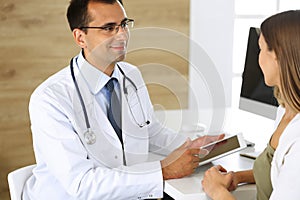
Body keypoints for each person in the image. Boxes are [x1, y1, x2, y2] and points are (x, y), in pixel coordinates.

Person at [22, 0, 224, 199]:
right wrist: (163, 170)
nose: (122, 35)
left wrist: (189, 146)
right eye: (109, 28)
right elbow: (81, 184)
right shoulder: (50, 99)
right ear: (80, 37)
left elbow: (149, 131)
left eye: (124, 25)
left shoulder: (130, 75)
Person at [202, 10, 300, 200]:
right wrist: (237, 177)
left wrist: (217, 190)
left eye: (261, 49)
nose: (258, 58)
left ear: (278, 56)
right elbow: (281, 173)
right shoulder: (286, 111)